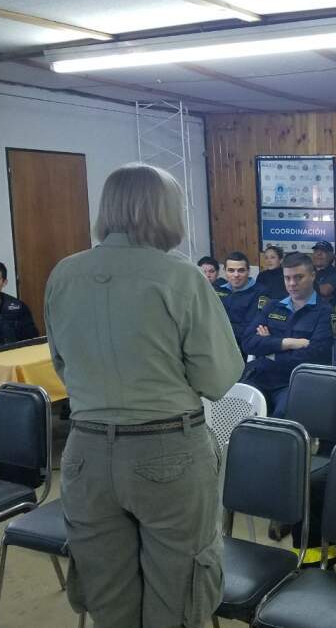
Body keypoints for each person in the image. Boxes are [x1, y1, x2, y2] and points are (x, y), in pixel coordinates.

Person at [44, 163, 243, 628]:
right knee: (177, 593)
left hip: (85, 452)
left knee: (107, 595)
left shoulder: (64, 274)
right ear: (165, 211)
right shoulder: (179, 277)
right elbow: (218, 377)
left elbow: (61, 366)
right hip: (166, 451)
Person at [241, 252, 335, 416]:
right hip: (261, 376)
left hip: (295, 382)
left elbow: (316, 354)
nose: (292, 283)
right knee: (237, 410)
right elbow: (248, 341)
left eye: (298, 277)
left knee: (282, 418)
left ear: (312, 276)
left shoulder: (325, 311)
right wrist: (288, 343)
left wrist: (269, 348)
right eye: (287, 278)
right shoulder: (272, 306)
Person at [219, 251, 262, 347]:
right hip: (216, 344)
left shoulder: (260, 293)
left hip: (242, 348)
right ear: (224, 271)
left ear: (248, 271)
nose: (236, 275)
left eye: (241, 270)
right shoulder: (217, 290)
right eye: (231, 270)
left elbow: (250, 329)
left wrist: (218, 328)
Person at [311, 240, 336, 309]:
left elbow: (325, 291)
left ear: (331, 255)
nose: (319, 254)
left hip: (327, 312)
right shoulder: (308, 270)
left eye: (323, 251)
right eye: (316, 251)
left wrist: (303, 285)